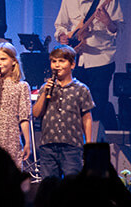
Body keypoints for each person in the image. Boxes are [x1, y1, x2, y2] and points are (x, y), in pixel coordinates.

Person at [54, 0, 123, 129]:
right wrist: (62, 35)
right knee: (76, 107)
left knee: (97, 107)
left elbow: (117, 29)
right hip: (77, 60)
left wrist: (107, 21)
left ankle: (95, 146)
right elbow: (60, 25)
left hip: (101, 60)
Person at [32, 44, 94, 178]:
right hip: (48, 146)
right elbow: (36, 113)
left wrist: (88, 144)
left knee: (72, 187)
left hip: (71, 146)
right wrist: (44, 93)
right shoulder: (45, 87)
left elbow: (87, 117)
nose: (57, 65)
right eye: (54, 61)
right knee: (49, 187)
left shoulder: (81, 89)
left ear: (72, 65)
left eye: (61, 61)